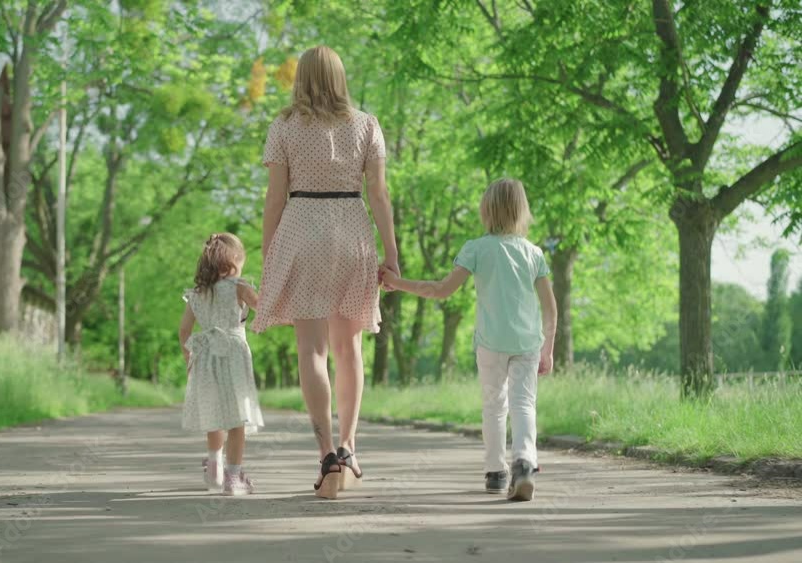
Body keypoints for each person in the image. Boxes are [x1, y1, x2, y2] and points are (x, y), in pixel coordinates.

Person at [253, 45, 399, 499]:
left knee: (311, 350)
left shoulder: (284, 126)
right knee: (349, 347)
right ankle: (350, 447)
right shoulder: (366, 124)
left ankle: (326, 456)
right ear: (340, 77)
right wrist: (391, 252)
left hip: (302, 232)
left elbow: (275, 197)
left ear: (301, 78)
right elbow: (379, 195)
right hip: (352, 232)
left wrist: (267, 253)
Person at [381, 178, 557, 501]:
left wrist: (398, 282)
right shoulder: (534, 253)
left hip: (490, 343)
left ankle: (495, 472)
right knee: (524, 404)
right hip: (528, 343)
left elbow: (440, 290)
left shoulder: (475, 249)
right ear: (522, 212)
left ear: (485, 211)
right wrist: (549, 347)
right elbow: (550, 307)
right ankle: (525, 464)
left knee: (494, 407)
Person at [179, 233, 264, 496]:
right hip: (234, 355)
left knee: (214, 414)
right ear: (235, 260)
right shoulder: (240, 287)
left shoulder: (198, 294)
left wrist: (189, 358)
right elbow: (263, 307)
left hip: (205, 358)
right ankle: (233, 477)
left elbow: (184, 331)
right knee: (237, 418)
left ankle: (214, 466)